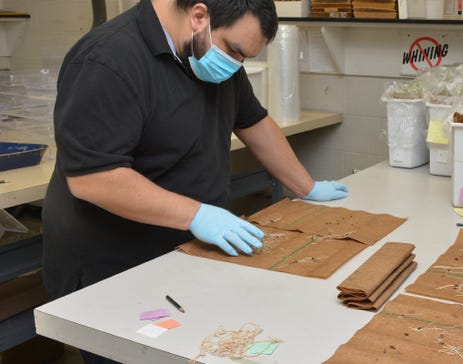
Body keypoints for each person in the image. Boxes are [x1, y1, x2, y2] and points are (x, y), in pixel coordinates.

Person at [42, 1, 346, 361]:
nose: (236, 63)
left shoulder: (212, 56)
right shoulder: (107, 60)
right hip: (114, 269)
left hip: (182, 255)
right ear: (199, 16)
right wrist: (198, 215)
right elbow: (94, 179)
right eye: (234, 50)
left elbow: (254, 123)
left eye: (244, 57)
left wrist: (305, 186)